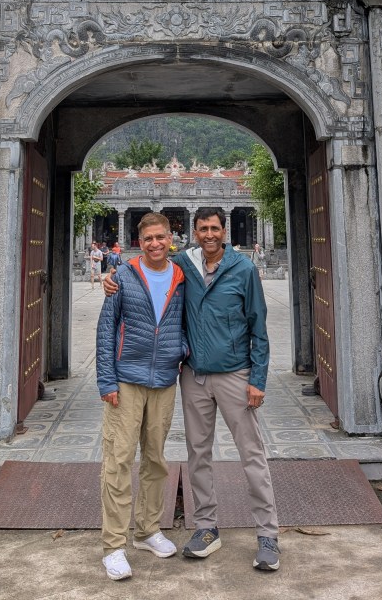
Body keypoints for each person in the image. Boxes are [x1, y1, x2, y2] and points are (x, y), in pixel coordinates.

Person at [104, 206, 280, 571]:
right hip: (192, 376)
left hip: (234, 374)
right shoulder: (183, 265)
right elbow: (134, 283)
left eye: (215, 228)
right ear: (193, 233)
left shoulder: (242, 269)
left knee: (251, 454)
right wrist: (112, 276)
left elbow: (258, 327)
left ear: (223, 230)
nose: (209, 234)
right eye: (203, 229)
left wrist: (258, 380)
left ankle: (267, 534)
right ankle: (205, 527)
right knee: (197, 454)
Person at [96, 212, 187, 581]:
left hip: (164, 379)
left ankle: (148, 530)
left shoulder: (182, 277)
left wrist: (180, 349)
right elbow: (106, 329)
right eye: (148, 238)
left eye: (160, 237)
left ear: (170, 238)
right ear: (140, 241)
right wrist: (107, 381)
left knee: (155, 459)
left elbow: (189, 320)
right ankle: (114, 545)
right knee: (118, 460)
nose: (155, 244)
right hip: (126, 379)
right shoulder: (123, 277)